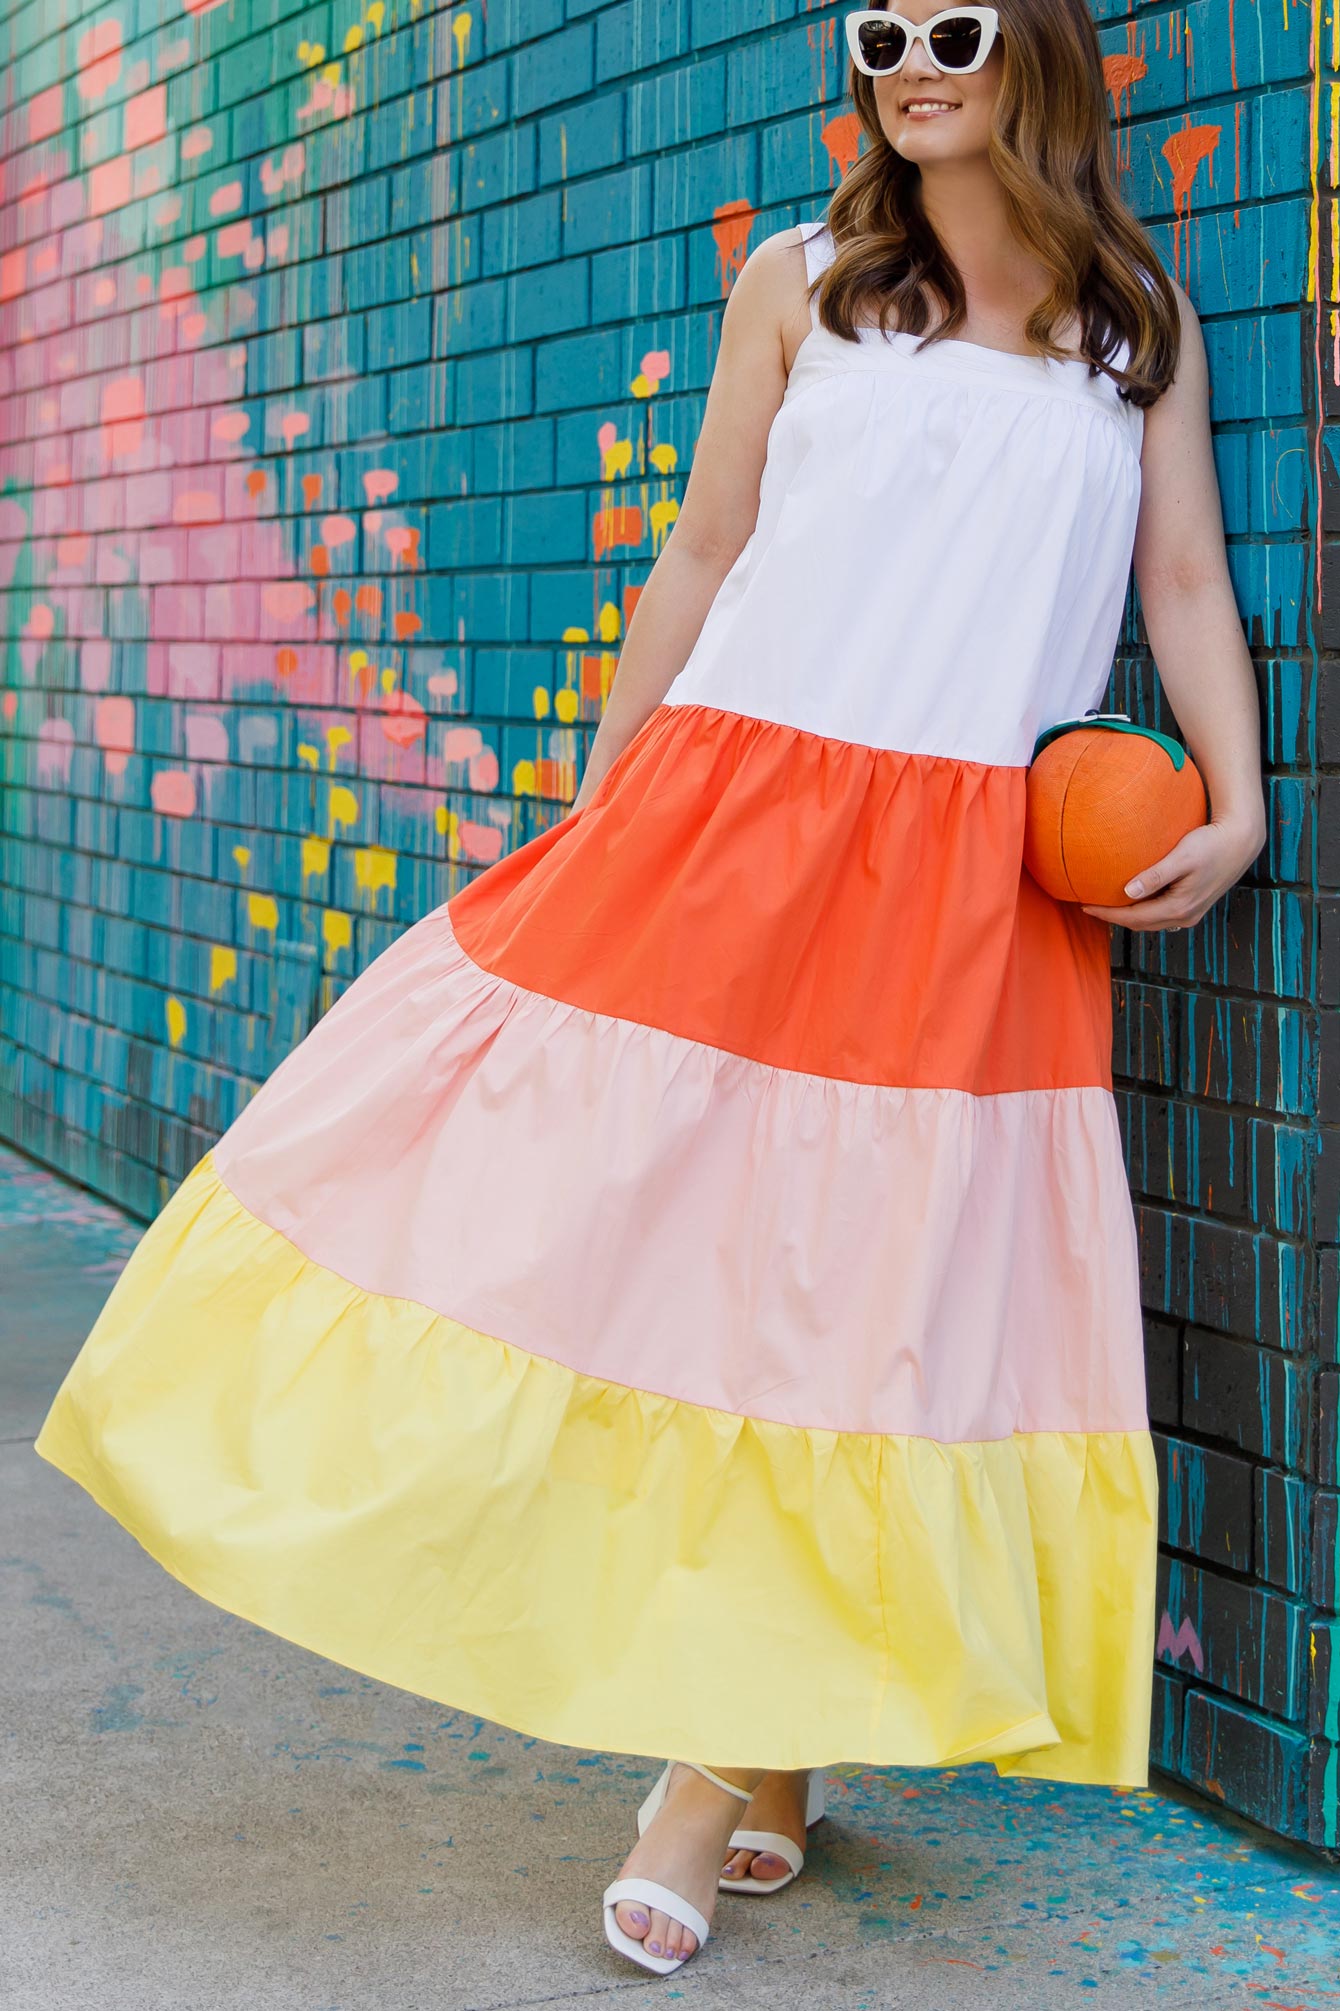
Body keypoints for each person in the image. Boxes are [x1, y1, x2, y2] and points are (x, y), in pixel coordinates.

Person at [35, 0, 1267, 1984]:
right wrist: (608, 809)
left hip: (961, 888)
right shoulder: (798, 279)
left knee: (856, 1309)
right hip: (736, 818)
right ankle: (740, 1767)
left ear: (1031, 45)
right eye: (877, 30)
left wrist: (1241, 791)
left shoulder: (1134, 320)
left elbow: (1184, 583)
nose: (908, 60)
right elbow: (700, 554)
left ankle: (716, 1772)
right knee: (676, 1261)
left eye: (951, 25)